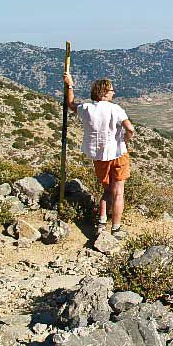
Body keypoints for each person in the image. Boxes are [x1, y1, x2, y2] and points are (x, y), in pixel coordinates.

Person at [63, 72, 134, 239]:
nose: (113, 93)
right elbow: (130, 128)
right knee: (119, 193)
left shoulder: (87, 108)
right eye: (111, 90)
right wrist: (125, 138)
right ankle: (115, 229)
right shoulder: (116, 109)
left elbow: (71, 104)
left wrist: (70, 84)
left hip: (99, 157)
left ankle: (101, 224)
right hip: (118, 153)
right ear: (103, 92)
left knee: (107, 190)